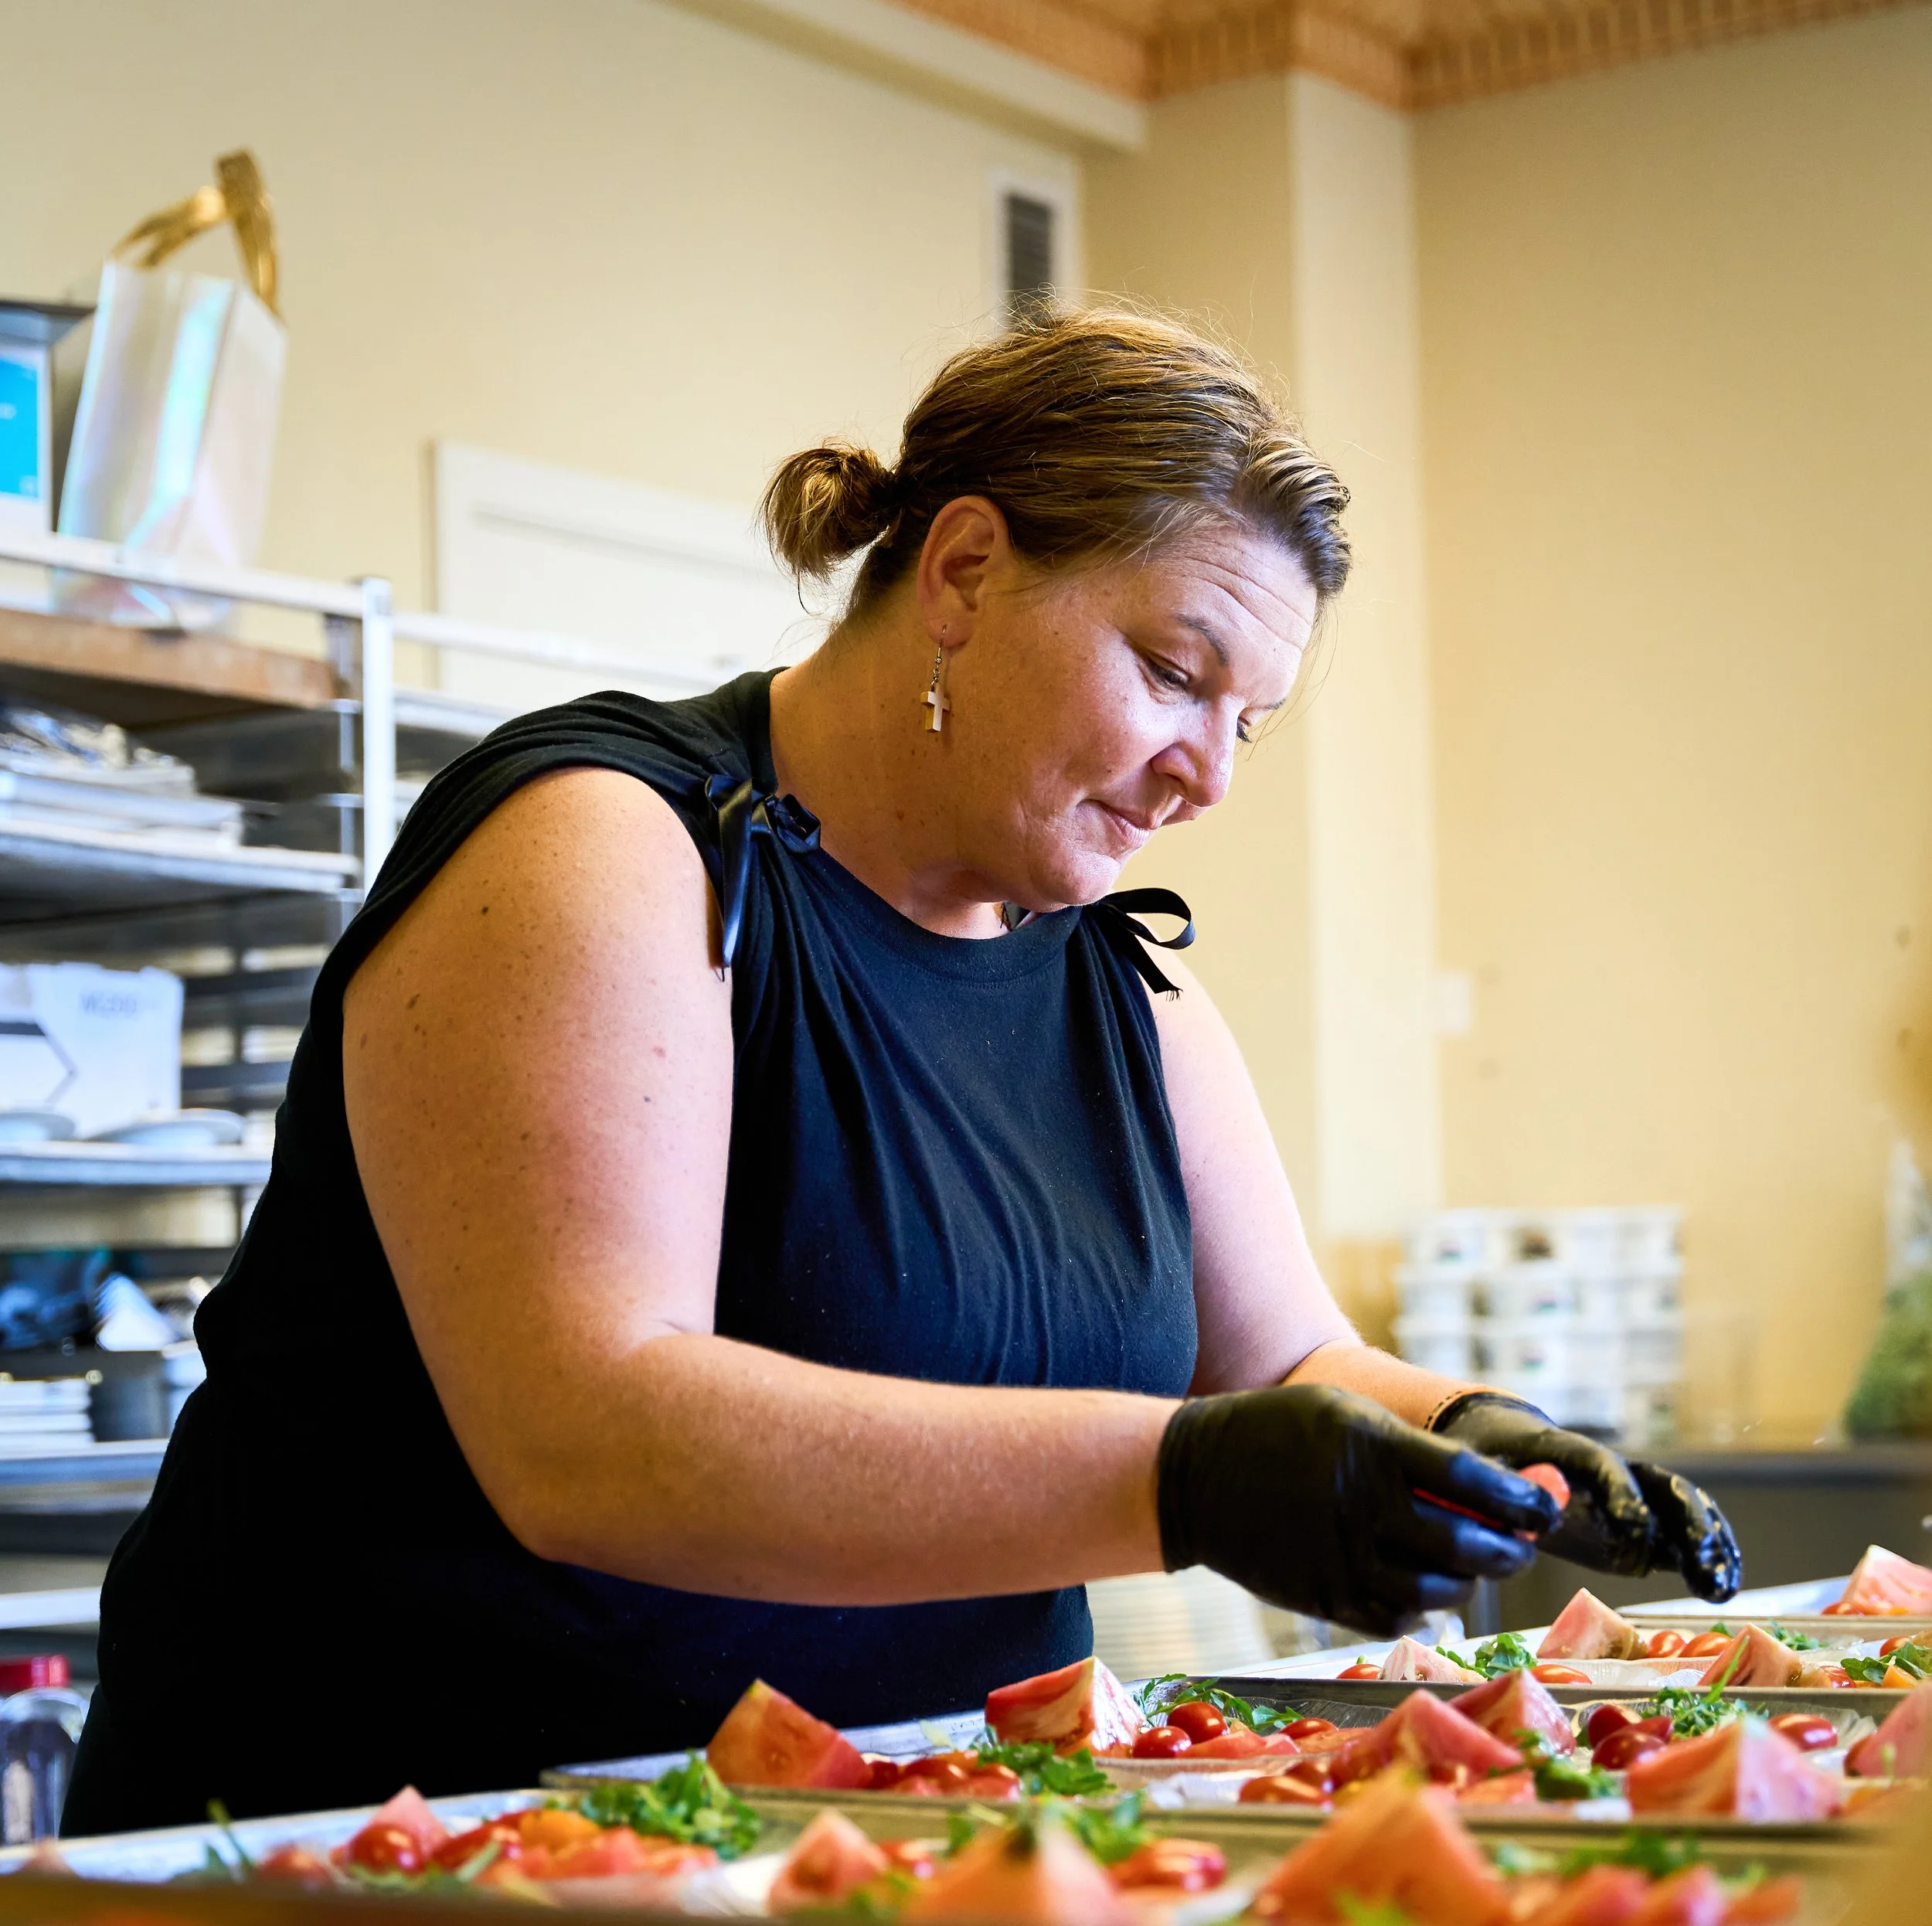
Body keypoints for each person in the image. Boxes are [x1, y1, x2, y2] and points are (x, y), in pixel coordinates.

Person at [63, 309, 1737, 1832]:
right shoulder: (603, 845)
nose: (1206, 773)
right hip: (393, 1846)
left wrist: (1488, 1439)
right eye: (1172, 671)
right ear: (958, 572)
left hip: (878, 1848)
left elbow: (1292, 1349)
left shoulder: (1122, 992)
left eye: (1250, 719)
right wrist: (1186, 1477)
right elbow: (586, 1429)